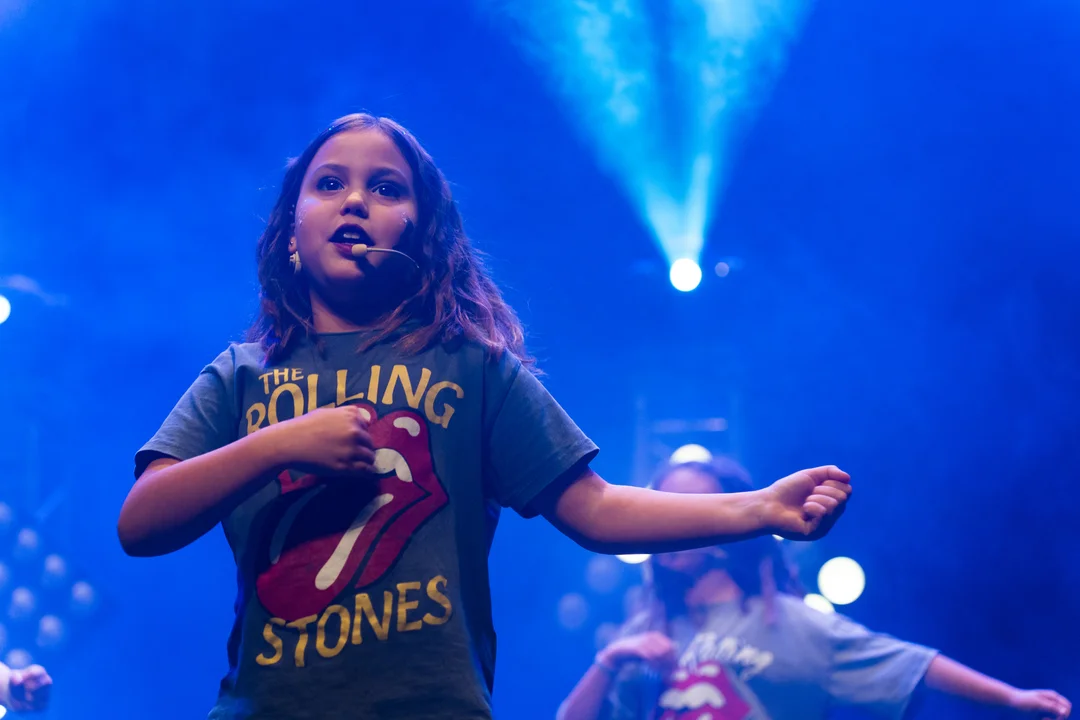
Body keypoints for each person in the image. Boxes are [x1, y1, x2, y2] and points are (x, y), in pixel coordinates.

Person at [116, 113, 852, 720]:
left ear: (422, 234)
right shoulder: (241, 376)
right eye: (329, 183)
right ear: (288, 234)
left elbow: (595, 510)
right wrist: (277, 445)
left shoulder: (472, 368)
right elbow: (141, 522)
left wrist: (760, 508)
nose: (354, 201)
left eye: (385, 188)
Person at [558, 458, 1072, 720]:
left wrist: (1011, 697)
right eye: (665, 508)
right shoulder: (643, 631)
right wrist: (611, 659)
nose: (676, 525)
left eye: (691, 509)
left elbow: (910, 663)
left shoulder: (793, 622)